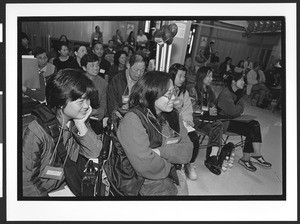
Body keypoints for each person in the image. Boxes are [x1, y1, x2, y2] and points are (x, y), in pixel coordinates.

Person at [22, 69, 102, 196]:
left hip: (64, 187)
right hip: (43, 193)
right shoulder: (35, 130)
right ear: (60, 101)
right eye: (81, 101)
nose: (87, 106)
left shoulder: (76, 121)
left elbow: (94, 151)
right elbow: (26, 184)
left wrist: (81, 124)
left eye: (88, 100)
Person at [117, 71, 193, 195]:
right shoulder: (133, 119)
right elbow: (146, 166)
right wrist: (173, 161)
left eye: (173, 92)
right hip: (138, 180)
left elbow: (188, 151)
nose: (173, 99)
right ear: (152, 94)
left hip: (165, 171)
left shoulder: (173, 115)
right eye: (168, 94)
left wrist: (160, 152)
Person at [216, 71, 272, 172]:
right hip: (224, 122)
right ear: (233, 82)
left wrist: (238, 108)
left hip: (233, 119)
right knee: (251, 127)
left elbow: (239, 109)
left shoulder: (238, 93)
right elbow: (234, 111)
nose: (243, 82)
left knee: (254, 124)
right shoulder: (225, 93)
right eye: (241, 79)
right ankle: (249, 157)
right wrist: (238, 108)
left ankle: (253, 155)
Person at [169, 63, 200, 180]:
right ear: (172, 76)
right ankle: (176, 167)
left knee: (194, 138)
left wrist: (188, 120)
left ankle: (190, 164)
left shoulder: (184, 92)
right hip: (167, 123)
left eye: (184, 76)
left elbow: (187, 109)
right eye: (180, 76)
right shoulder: (165, 88)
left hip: (180, 122)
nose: (182, 79)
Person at [194, 66, 224, 175]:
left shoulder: (210, 90)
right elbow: (192, 109)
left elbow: (213, 106)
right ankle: (212, 158)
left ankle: (212, 157)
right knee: (217, 126)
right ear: (202, 76)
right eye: (209, 76)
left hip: (206, 120)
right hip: (195, 120)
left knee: (218, 124)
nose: (211, 79)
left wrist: (213, 113)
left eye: (212, 76)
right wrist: (206, 112)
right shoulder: (194, 90)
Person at [81, 53, 108, 135]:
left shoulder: (103, 83)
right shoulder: (78, 81)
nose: (96, 68)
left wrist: (96, 112)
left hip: (94, 118)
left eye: (97, 65)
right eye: (92, 65)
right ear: (84, 68)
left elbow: (104, 105)